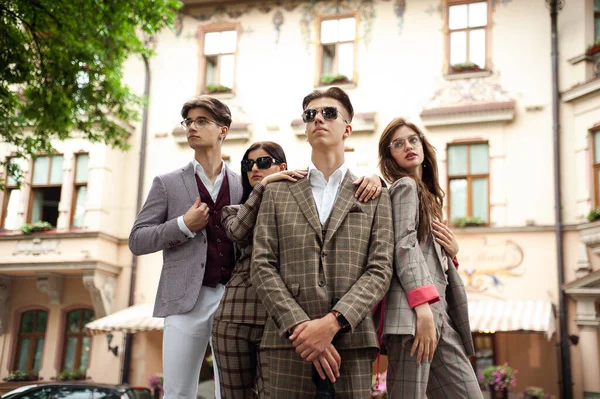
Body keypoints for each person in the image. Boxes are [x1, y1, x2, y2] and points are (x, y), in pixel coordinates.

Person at [250, 87, 394, 398]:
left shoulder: (373, 195)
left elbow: (380, 270)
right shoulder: (277, 192)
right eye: (310, 114)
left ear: (347, 129)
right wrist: (302, 328)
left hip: (351, 344)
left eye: (329, 113)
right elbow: (261, 265)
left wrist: (331, 324)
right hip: (288, 344)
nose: (318, 119)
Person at [212, 141, 383, 398]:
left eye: (264, 162)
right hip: (238, 314)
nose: (255, 169)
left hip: (279, 318)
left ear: (283, 166)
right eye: (248, 165)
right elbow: (238, 231)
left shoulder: (297, 198)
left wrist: (376, 178)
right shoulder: (235, 209)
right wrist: (265, 186)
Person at [129, 96, 241, 399]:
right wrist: (183, 225)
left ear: (223, 130)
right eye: (188, 121)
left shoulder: (242, 183)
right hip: (183, 300)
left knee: (231, 392)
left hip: (233, 300)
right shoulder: (167, 183)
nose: (192, 127)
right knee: (178, 392)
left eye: (201, 121)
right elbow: (137, 239)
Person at [377, 117, 482, 398]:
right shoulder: (405, 187)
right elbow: (404, 246)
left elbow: (426, 254)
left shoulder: (428, 196)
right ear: (390, 156)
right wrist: (422, 308)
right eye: (398, 144)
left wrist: (453, 253)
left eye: (413, 139)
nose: (408, 146)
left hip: (439, 314)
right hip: (415, 314)